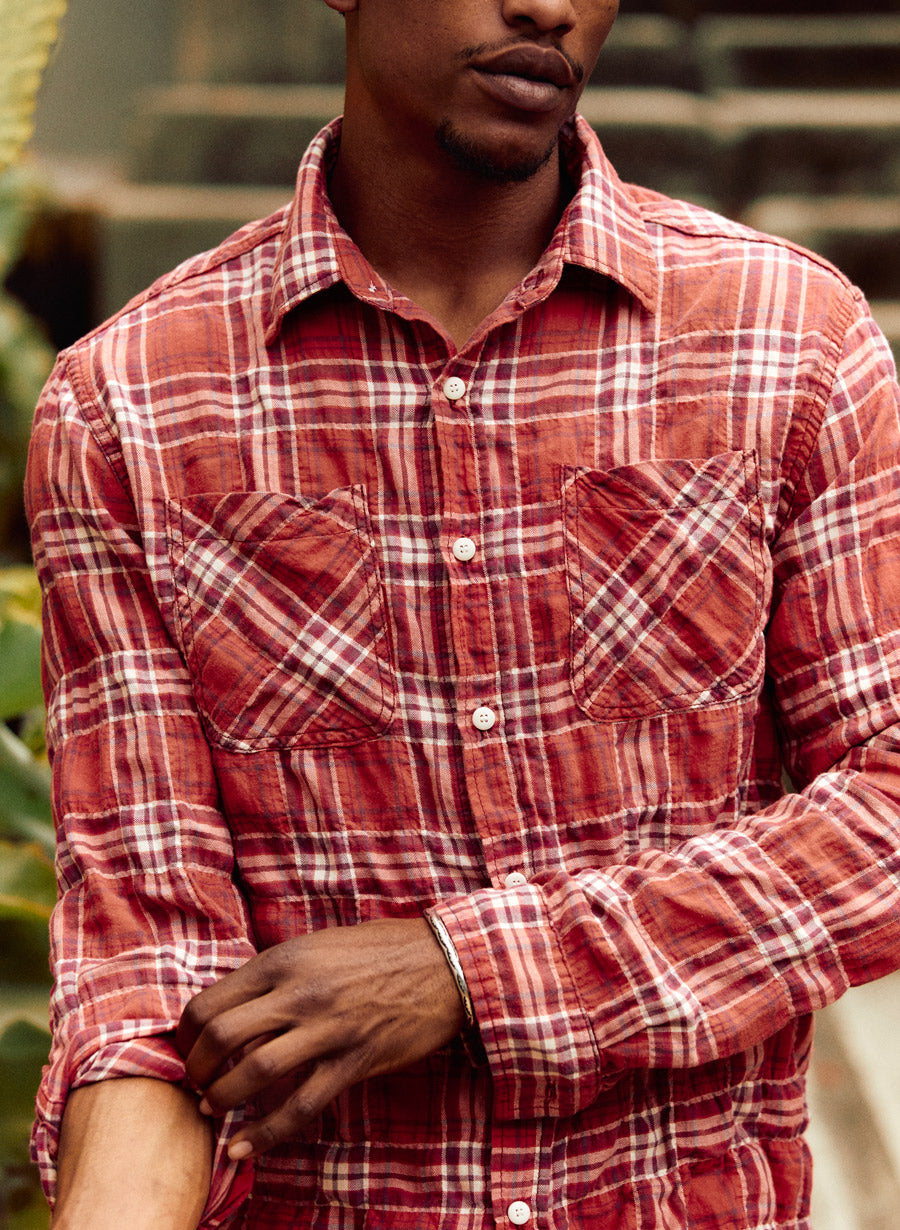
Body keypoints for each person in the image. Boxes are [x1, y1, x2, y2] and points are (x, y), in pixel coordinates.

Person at [25, 0, 900, 1227]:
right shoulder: (134, 409)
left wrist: (467, 975)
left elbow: (888, 807)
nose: (549, 5)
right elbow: (150, 947)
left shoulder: (785, 346)